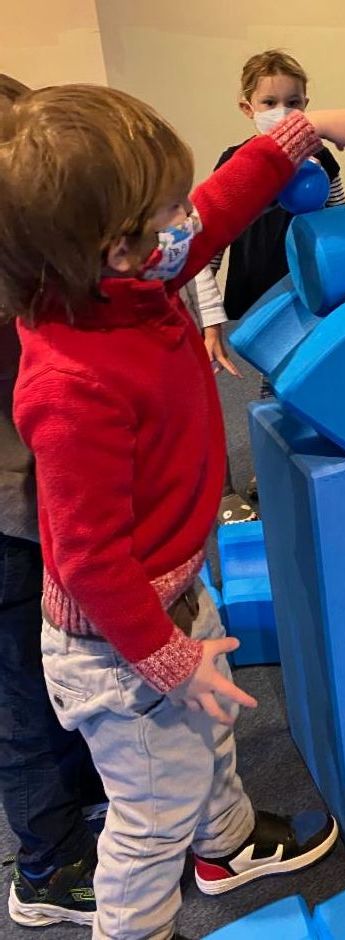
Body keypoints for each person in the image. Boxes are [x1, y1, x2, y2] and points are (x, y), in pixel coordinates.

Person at [2, 83, 345, 940]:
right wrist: (169, 662)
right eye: (167, 211)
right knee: (152, 817)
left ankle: (227, 848)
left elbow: (217, 209)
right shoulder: (70, 382)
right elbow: (90, 562)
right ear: (114, 246)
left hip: (173, 592)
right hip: (118, 645)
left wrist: (299, 135)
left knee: (208, 746)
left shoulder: (133, 279)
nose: (189, 219)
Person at [0, 72, 105, 929]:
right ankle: (45, 866)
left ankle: (82, 800)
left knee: (49, 665)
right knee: (20, 703)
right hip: (5, 522)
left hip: (32, 508)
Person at [212, 49, 345, 518]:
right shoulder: (235, 162)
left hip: (305, 287)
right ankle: (274, 463)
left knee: (303, 373)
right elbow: (215, 231)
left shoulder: (321, 158)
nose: (282, 112)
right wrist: (206, 304)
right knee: (275, 379)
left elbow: (339, 219)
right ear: (247, 107)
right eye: (270, 103)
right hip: (259, 289)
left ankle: (296, 456)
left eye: (293, 102)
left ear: (307, 105)